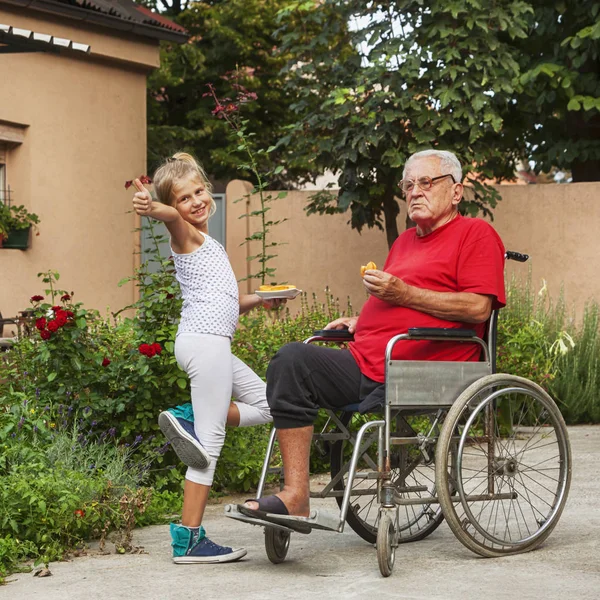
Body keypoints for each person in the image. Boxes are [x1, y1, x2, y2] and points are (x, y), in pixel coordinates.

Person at [241, 149, 506, 519]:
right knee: (292, 359)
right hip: (368, 360)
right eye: (408, 185)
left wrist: (404, 294)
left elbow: (478, 307)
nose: (415, 192)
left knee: (295, 360)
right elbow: (399, 301)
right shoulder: (404, 242)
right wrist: (360, 320)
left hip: (420, 369)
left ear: (456, 192)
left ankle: (294, 496)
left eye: (426, 183)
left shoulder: (476, 234)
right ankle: (295, 495)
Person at [132, 152, 283, 563]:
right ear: (174, 205)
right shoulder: (185, 234)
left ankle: (193, 417)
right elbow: (169, 218)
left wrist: (262, 299)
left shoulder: (209, 241)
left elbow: (225, 300)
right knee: (209, 443)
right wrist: (155, 207)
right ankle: (189, 540)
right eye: (185, 198)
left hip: (210, 343)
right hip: (205, 344)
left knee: (273, 403)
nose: (196, 201)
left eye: (200, 191)